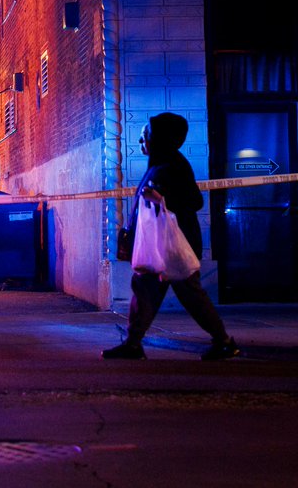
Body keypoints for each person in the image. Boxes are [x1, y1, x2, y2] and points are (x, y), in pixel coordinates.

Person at [103, 112, 241, 361]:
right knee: (146, 290)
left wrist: (162, 199)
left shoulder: (173, 166)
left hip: (174, 246)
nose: (141, 142)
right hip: (161, 246)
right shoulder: (160, 165)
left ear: (160, 139)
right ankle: (134, 343)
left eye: (146, 137)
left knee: (188, 294)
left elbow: (193, 201)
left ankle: (223, 342)